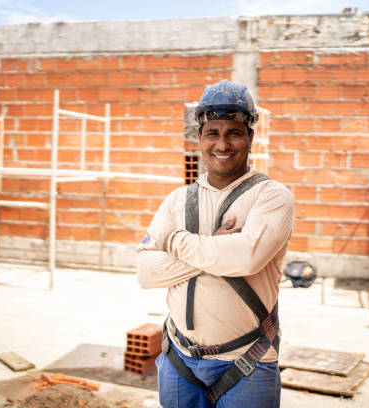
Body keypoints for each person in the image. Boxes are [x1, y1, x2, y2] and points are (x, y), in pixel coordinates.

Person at [136, 79, 294, 408]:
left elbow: (247, 257)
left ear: (250, 136)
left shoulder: (270, 196)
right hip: (180, 361)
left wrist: (177, 241)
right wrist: (214, 247)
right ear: (200, 138)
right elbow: (146, 273)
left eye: (233, 132)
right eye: (213, 133)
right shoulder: (178, 200)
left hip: (246, 363)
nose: (222, 144)